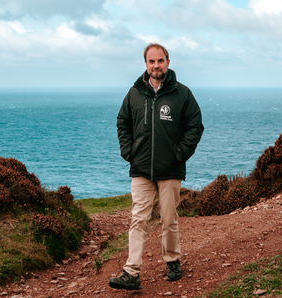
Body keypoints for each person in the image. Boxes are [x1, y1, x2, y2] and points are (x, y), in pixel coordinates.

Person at [109, 43, 204, 291]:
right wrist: (128, 152)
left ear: (168, 62)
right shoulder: (134, 93)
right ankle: (131, 272)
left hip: (170, 169)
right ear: (146, 64)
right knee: (137, 219)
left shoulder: (182, 94)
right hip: (140, 169)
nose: (156, 65)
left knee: (169, 219)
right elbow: (123, 122)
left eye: (160, 61)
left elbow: (195, 126)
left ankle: (172, 260)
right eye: (151, 61)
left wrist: (179, 154)